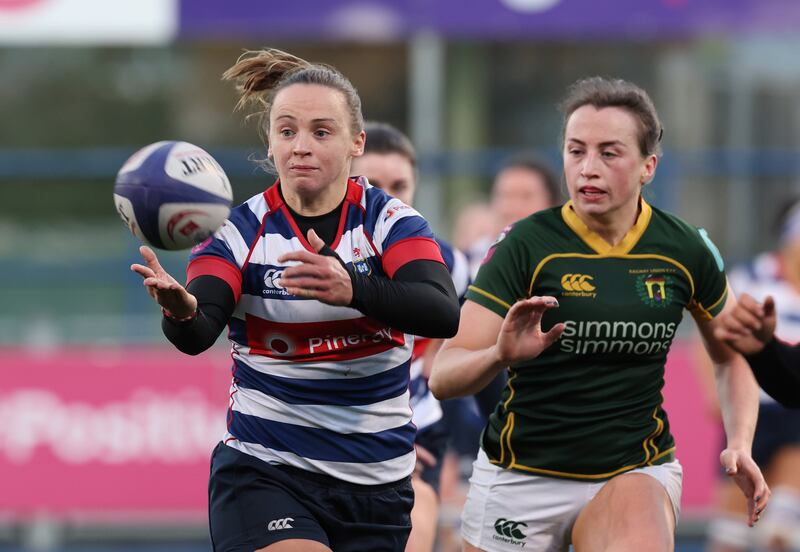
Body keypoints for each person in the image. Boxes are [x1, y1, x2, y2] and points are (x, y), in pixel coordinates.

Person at [130, 48, 460, 552]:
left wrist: (354, 288)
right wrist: (181, 309)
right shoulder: (237, 232)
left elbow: (441, 311)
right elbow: (199, 330)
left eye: (320, 132)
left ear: (356, 143)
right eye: (287, 131)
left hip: (378, 484)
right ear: (270, 142)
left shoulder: (390, 222)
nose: (301, 146)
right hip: (267, 472)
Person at [429, 76, 769, 552]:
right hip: (523, 473)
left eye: (609, 153)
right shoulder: (525, 246)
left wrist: (740, 441)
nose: (588, 168)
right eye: (576, 151)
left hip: (633, 468)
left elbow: (731, 355)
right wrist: (498, 355)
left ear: (648, 165)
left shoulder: (684, 248)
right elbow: (443, 375)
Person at [350, 121, 471, 552]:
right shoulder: (309, 260)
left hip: (415, 438)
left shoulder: (448, 265)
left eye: (400, 184)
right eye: (372, 183)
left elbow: (456, 347)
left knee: (412, 535)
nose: (387, 197)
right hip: (325, 434)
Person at [707, 198, 800, 551]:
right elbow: (713, 337)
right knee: (730, 536)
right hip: (754, 413)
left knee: (780, 532)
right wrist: (715, 394)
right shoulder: (752, 278)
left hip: (792, 418)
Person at [461, 153, 561, 280]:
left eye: (526, 197)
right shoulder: (466, 263)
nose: (513, 208)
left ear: (551, 205)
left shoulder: (567, 263)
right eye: (505, 195)